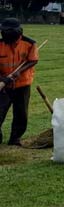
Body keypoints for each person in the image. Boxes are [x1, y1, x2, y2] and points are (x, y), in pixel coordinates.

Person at [0, 18, 39, 146]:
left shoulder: (30, 44)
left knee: (21, 114)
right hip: (4, 86)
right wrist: (3, 79)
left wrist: (19, 71)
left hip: (22, 84)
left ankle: (15, 139)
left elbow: (33, 60)